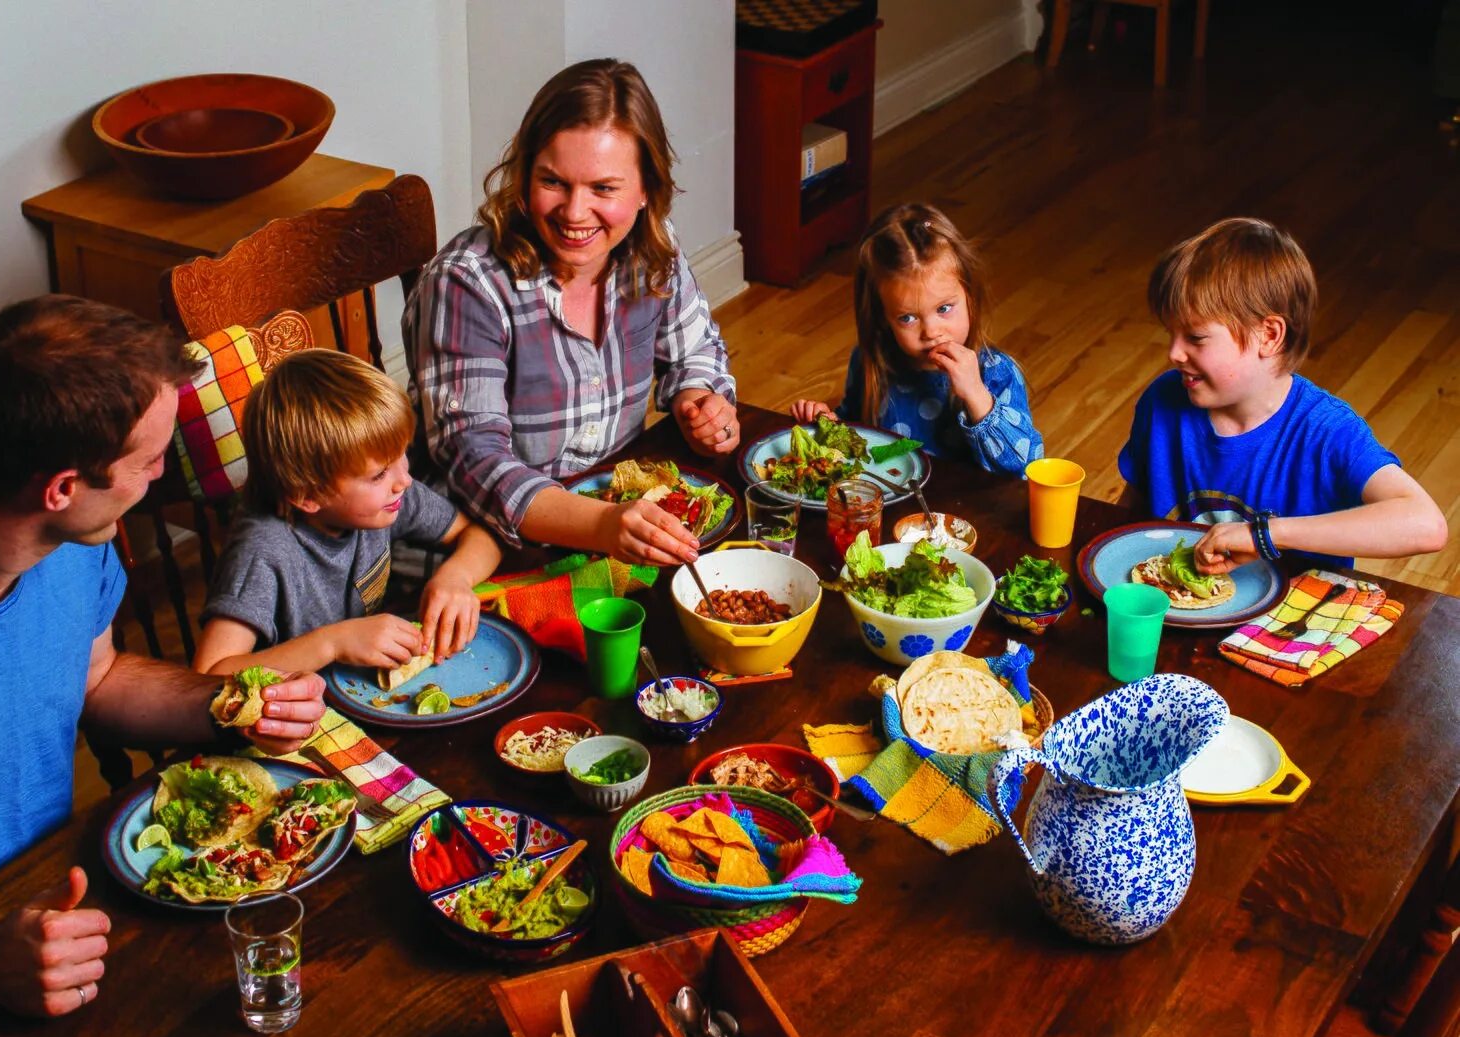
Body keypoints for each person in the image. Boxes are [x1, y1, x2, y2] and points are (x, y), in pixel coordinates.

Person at [0, 296, 326, 1018]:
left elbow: (96, 677)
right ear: (64, 489)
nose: (161, 477)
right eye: (152, 460)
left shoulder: (69, 546)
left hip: (58, 900)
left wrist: (227, 707)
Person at [404, 57, 738, 567]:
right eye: (554, 182)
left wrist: (700, 399)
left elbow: (696, 351)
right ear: (524, 174)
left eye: (604, 188)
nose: (575, 213)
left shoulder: (652, 249)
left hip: (613, 529)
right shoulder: (468, 283)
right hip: (482, 552)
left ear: (646, 189)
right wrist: (601, 525)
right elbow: (475, 461)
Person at [1118, 217, 1447, 572]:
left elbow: (1426, 525)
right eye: (1171, 334)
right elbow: (1132, 507)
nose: (1174, 353)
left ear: (1270, 336)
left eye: (1195, 338)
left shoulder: (1326, 430)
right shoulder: (1162, 400)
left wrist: (1265, 535)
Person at [194, 349, 502, 676]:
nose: (404, 480)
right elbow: (207, 675)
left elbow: (482, 536)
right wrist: (332, 644)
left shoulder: (390, 495)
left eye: (402, 455)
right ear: (309, 496)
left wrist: (455, 577)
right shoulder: (263, 551)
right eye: (379, 474)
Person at [792, 202, 1045, 476]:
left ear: (970, 296)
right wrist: (829, 425)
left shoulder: (996, 373)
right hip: (895, 504)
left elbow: (1025, 464)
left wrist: (976, 395)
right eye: (908, 318)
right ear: (882, 318)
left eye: (944, 309)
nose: (931, 332)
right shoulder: (872, 365)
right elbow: (864, 446)